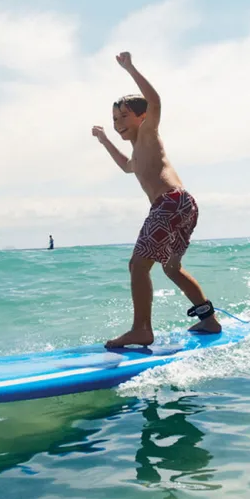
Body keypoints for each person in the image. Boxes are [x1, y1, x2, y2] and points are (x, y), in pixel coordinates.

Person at [91, 51, 219, 348]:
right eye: (114, 118)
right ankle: (208, 319)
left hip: (169, 203)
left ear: (142, 116)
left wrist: (130, 68)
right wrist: (103, 140)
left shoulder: (149, 132)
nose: (118, 122)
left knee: (138, 265)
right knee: (171, 268)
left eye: (124, 116)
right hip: (183, 204)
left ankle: (141, 330)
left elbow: (156, 101)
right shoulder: (137, 152)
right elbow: (126, 166)